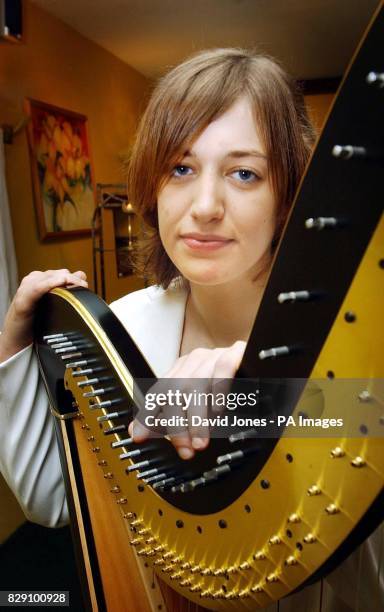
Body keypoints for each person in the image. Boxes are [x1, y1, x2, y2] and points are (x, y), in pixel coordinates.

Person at [0, 48, 381, 611]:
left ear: (287, 199)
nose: (204, 206)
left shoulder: (349, 329)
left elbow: (367, 430)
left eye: (244, 174)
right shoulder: (123, 326)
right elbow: (58, 499)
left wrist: (256, 395)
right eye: (181, 168)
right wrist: (11, 343)